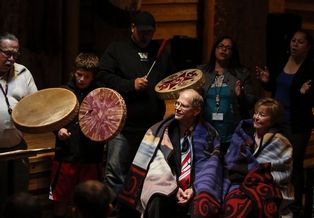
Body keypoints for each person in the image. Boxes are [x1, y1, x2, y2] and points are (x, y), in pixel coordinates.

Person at [97, 10, 176, 203]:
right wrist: (130, 85)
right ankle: (116, 209)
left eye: (149, 32)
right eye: (141, 32)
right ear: (132, 28)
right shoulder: (117, 48)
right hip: (122, 125)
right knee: (115, 171)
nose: (145, 36)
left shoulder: (160, 51)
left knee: (149, 170)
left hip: (152, 126)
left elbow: (171, 78)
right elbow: (103, 76)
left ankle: (142, 208)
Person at [118, 89, 223, 218]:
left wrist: (194, 188)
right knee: (158, 197)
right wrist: (174, 187)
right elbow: (157, 163)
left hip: (197, 182)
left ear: (196, 111)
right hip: (168, 181)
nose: (177, 108)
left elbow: (211, 166)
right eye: (177, 103)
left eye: (183, 106)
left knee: (203, 202)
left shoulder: (210, 134)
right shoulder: (162, 130)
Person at [256, 29, 314, 216]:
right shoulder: (281, 61)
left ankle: (295, 207)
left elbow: (312, 100)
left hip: (296, 124)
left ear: (308, 47)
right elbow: (277, 87)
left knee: (293, 165)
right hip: (277, 121)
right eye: (293, 40)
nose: (294, 44)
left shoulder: (311, 69)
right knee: (273, 162)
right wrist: (267, 82)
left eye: (299, 42)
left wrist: (304, 94)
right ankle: (275, 201)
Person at [49, 53, 105, 218]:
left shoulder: (100, 94)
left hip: (91, 156)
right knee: (61, 199)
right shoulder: (63, 92)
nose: (81, 79)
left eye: (86, 76)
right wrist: (58, 130)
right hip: (66, 156)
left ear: (93, 77)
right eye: (79, 74)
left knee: (90, 203)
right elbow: (50, 117)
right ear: (74, 71)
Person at [222, 97, 294, 217]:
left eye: (262, 115)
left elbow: (281, 170)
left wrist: (254, 173)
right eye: (256, 113)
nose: (256, 117)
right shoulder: (244, 134)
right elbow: (232, 159)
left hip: (268, 184)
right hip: (239, 179)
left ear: (272, 120)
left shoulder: (280, 141)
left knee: (248, 205)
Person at [0, 33, 37, 205]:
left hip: (18, 145)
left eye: (15, 54)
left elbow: (36, 105)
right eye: (7, 53)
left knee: (20, 198)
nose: (12, 58)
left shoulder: (23, 73)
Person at [201, 36, 257, 152]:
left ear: (233, 52)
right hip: (206, 132)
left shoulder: (241, 73)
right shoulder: (201, 73)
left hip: (233, 133)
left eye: (228, 48)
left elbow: (251, 102)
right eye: (220, 46)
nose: (223, 49)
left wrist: (241, 96)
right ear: (214, 49)